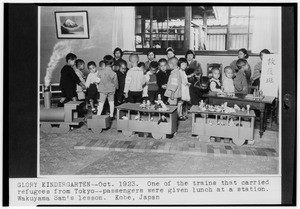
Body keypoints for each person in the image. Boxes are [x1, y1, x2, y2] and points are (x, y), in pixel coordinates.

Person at [96, 55, 118, 119]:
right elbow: (116, 83)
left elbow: (97, 81)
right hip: (111, 90)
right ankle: (111, 115)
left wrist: (98, 87)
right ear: (112, 63)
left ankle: (98, 115)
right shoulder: (114, 73)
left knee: (101, 103)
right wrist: (116, 88)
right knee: (111, 103)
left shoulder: (100, 72)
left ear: (104, 62)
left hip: (102, 90)